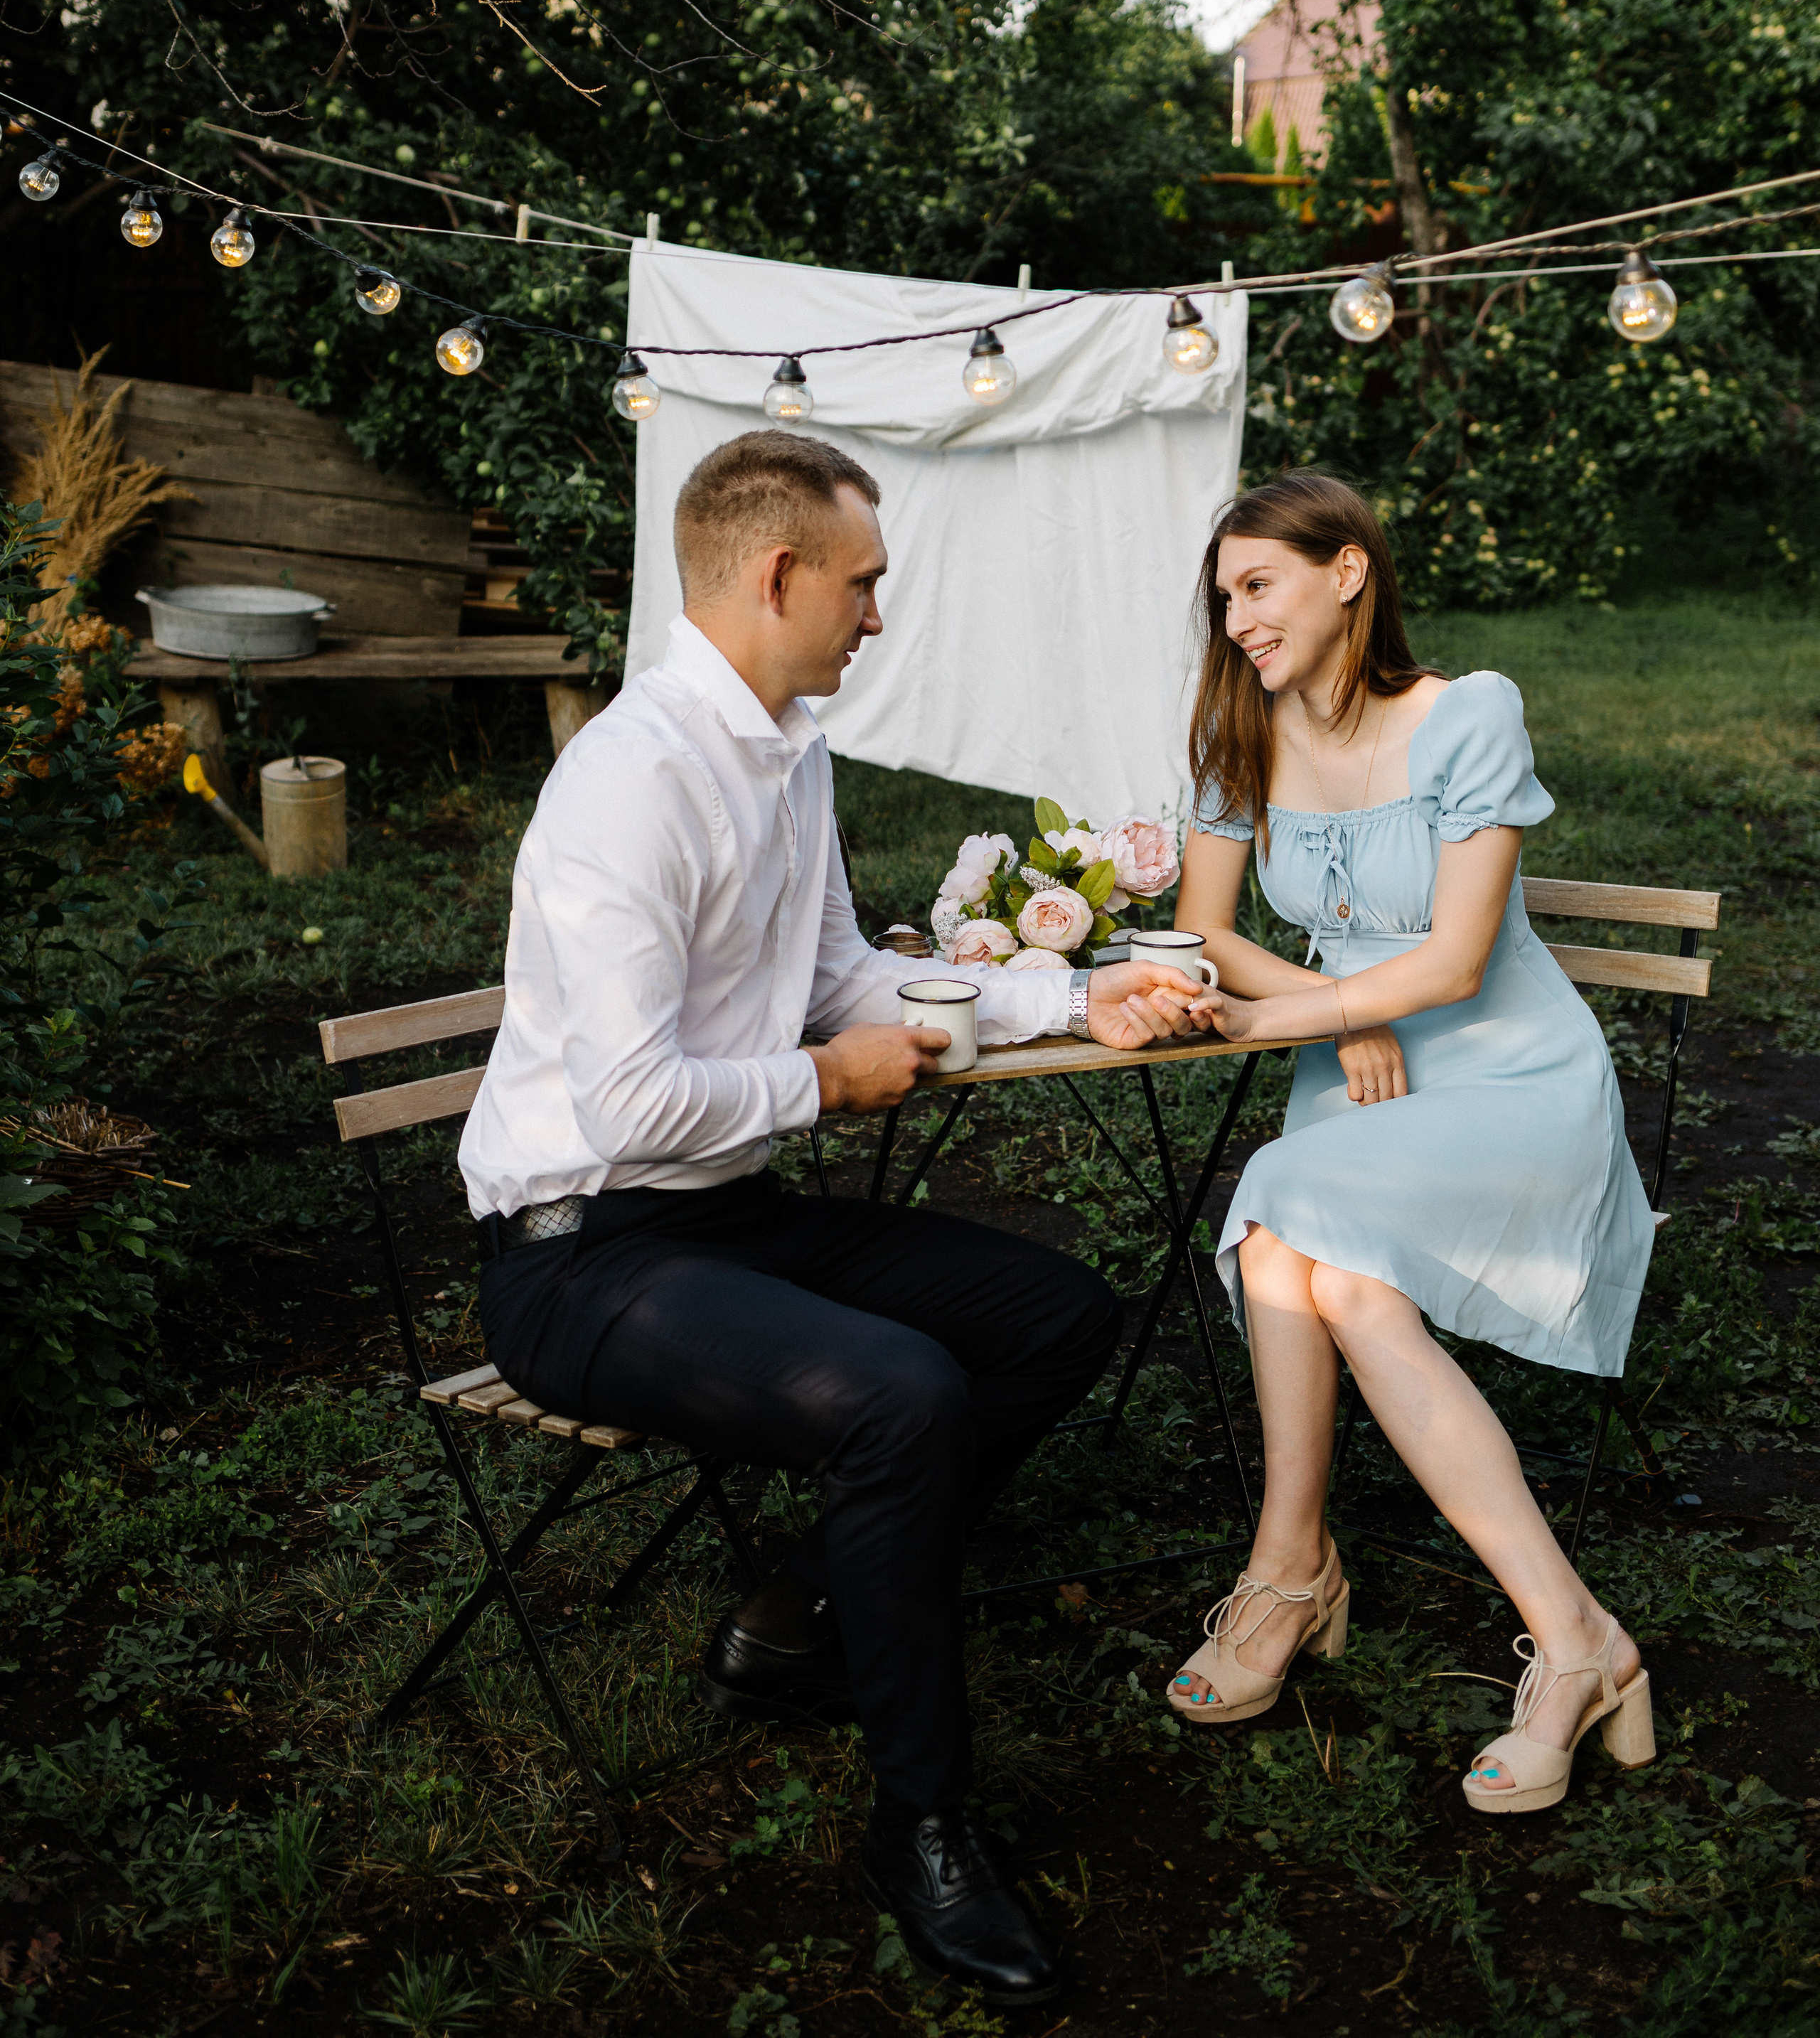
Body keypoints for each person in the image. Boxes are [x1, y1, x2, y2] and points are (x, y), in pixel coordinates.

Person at [459, 427, 1211, 2005]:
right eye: (863, 583)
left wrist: (1073, 995)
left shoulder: (788, 755)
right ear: (777, 573)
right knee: (901, 1396)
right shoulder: (630, 782)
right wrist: (823, 1083)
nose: (879, 614)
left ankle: (808, 1602)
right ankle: (920, 1823)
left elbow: (847, 985)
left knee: (1056, 1317)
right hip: (578, 1260)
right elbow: (629, 1106)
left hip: (724, 1217)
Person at [1163, 471, 1659, 1814]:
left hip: (1511, 1077)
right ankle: (1571, 1637)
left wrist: (1310, 1011)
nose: (1238, 619)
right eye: (1224, 596)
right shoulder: (1238, 727)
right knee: (1327, 1270)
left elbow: (1453, 965)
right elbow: (1203, 927)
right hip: (1359, 1077)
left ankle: (1293, 1577)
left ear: (1348, 573)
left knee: (1278, 1203)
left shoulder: (1467, 714)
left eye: (1259, 584)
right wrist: (1339, 1017)